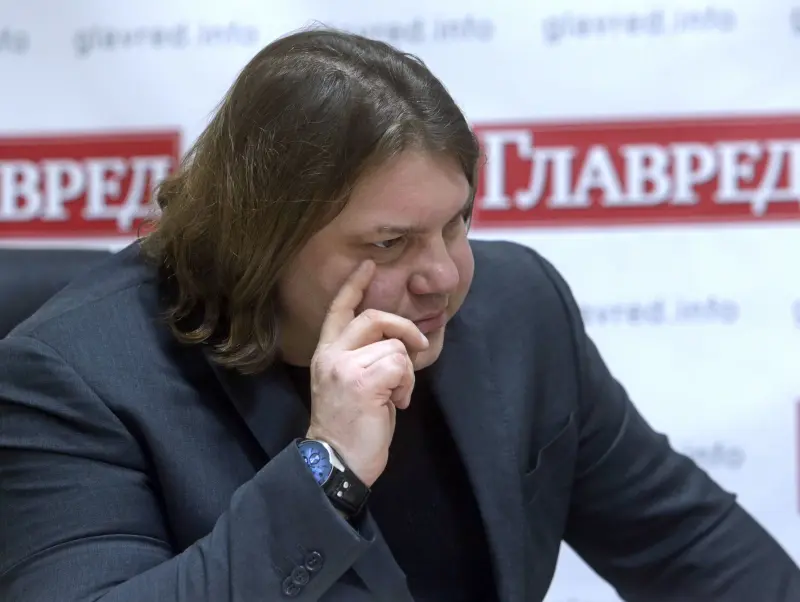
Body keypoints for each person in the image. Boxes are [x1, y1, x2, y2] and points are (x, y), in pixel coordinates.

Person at [0, 28, 797, 602]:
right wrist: (328, 469)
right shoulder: (75, 379)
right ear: (260, 243)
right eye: (389, 243)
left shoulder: (517, 310)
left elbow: (689, 545)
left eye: (457, 223)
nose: (444, 275)